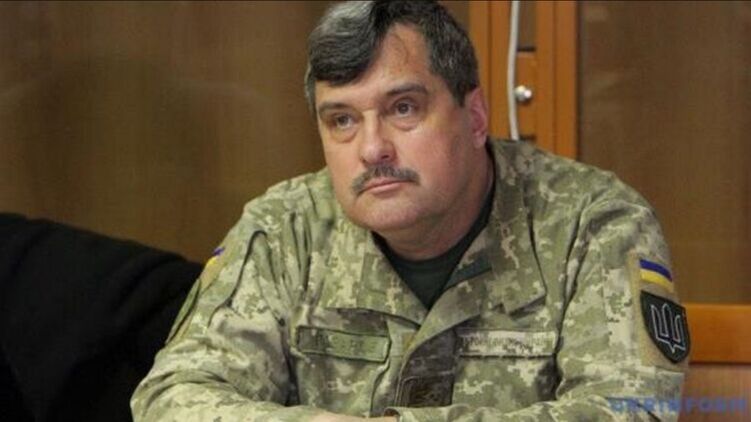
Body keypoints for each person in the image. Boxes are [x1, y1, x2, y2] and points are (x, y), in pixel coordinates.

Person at [131, 1, 689, 421]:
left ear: (475, 117)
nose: (372, 149)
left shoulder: (593, 224)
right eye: (342, 120)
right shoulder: (285, 230)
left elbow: (632, 409)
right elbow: (172, 397)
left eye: (403, 108)